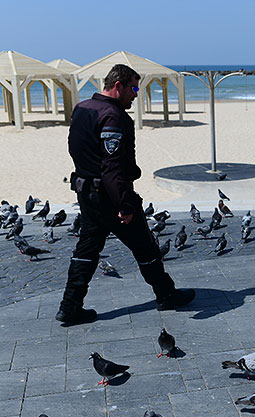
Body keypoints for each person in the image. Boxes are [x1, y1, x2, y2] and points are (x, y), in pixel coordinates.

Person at [56, 64, 194, 324]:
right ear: (117, 86)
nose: (136, 94)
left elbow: (74, 149)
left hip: (86, 192)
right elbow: (112, 167)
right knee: (146, 247)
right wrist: (124, 204)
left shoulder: (83, 108)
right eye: (133, 88)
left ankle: (69, 306)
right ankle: (166, 295)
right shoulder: (113, 116)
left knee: (86, 250)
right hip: (110, 195)